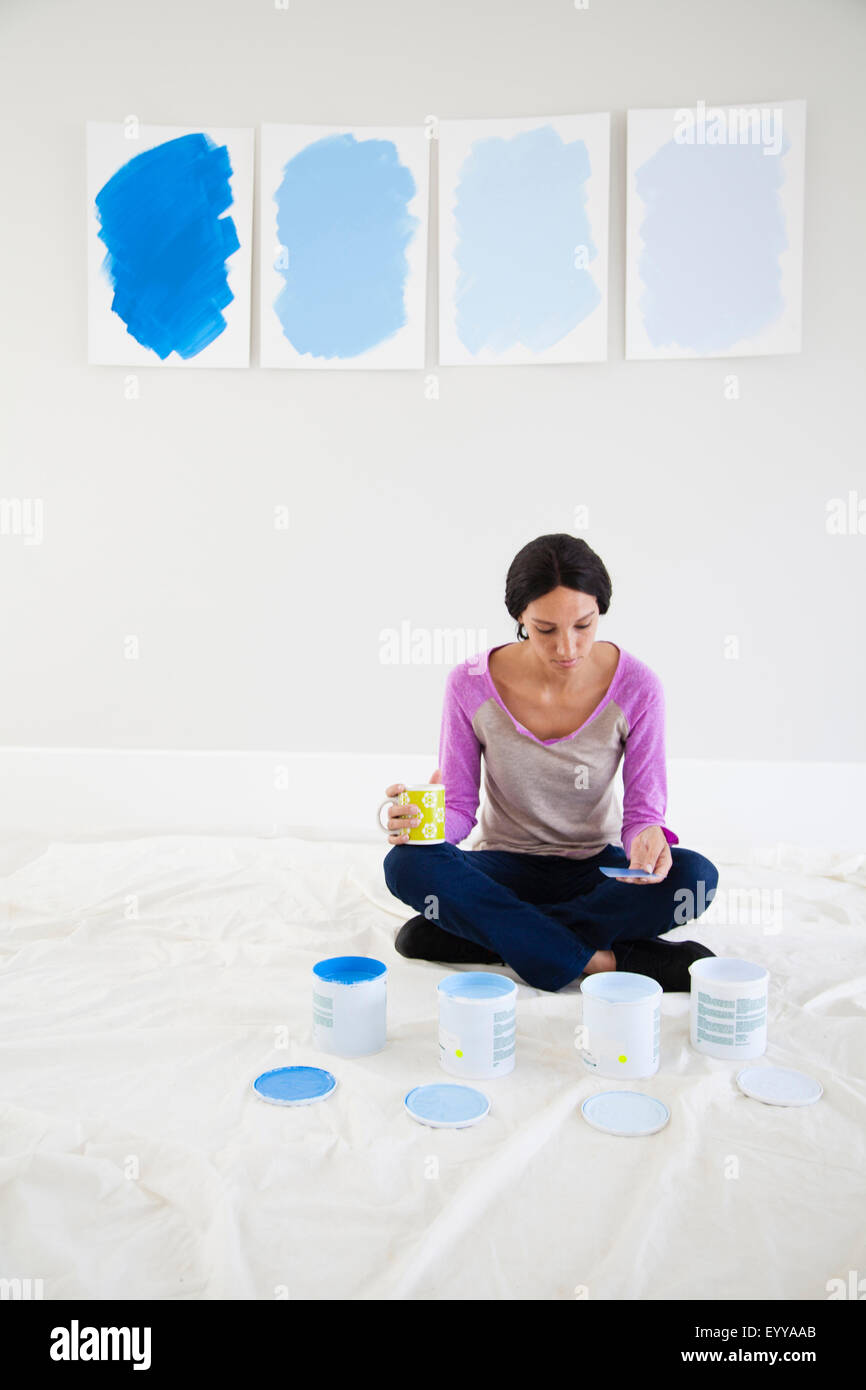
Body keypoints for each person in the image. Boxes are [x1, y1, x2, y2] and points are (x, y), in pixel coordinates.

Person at [381, 533, 719, 993]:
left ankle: (512, 938)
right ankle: (603, 961)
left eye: (584, 625)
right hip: (502, 867)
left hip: (597, 870)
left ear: (601, 609)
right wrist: (426, 821)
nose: (567, 648)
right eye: (546, 630)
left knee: (695, 877)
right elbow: (460, 810)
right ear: (519, 616)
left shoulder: (639, 686)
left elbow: (643, 815)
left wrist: (648, 838)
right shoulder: (470, 684)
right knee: (405, 865)